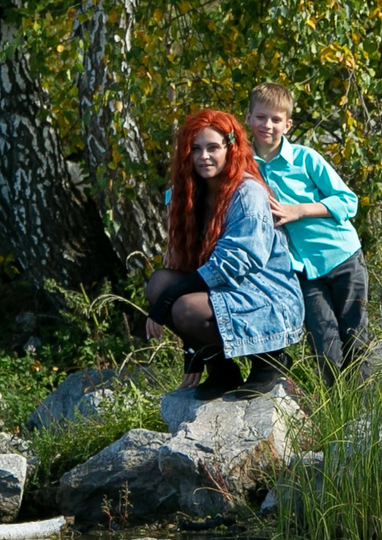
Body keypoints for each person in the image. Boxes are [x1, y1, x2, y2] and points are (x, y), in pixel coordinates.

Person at [142, 108, 305, 398]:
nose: (203, 156)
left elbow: (234, 261)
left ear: (230, 148)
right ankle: (221, 370)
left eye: (213, 148)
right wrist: (191, 350)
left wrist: (167, 302)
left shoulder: (248, 192)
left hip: (264, 297)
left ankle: (270, 361)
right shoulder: (188, 193)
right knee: (159, 283)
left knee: (183, 305)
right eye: (195, 149)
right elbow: (185, 264)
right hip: (225, 289)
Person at [245, 83, 369, 382]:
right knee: (323, 344)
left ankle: (365, 404)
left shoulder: (306, 158)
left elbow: (348, 201)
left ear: (287, 124)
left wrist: (299, 210)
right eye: (261, 117)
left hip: (341, 256)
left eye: (276, 119)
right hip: (300, 270)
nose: (267, 125)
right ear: (248, 118)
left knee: (355, 335)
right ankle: (336, 403)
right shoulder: (243, 166)